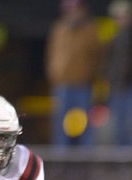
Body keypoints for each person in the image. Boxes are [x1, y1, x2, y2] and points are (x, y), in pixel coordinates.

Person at [46, 0, 102, 146]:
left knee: (85, 125)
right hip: (62, 84)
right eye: (69, 9)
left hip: (83, 84)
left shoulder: (90, 29)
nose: (72, 12)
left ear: (83, 10)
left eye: (75, 9)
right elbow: (52, 54)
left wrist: (91, 75)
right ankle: (60, 161)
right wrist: (54, 74)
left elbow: (96, 56)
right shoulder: (59, 28)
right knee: (60, 125)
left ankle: (85, 160)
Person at [104, 0, 132, 146]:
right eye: (118, 17)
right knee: (118, 126)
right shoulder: (113, 39)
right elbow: (108, 63)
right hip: (116, 87)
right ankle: (120, 162)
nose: (121, 20)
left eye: (124, 16)